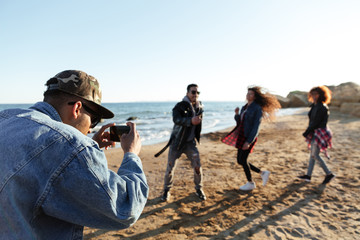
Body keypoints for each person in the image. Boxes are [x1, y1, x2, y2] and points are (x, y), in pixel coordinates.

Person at [0, 70, 149, 239]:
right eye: (94, 119)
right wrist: (131, 154)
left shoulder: (6, 118)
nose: (91, 127)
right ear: (77, 108)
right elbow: (125, 208)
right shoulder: (70, 146)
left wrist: (88, 149)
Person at [222, 86, 280, 191]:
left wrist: (249, 141)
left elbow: (255, 127)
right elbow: (240, 122)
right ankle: (262, 173)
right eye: (247, 93)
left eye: (251, 94)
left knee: (242, 160)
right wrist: (236, 114)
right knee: (240, 160)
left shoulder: (257, 108)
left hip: (248, 137)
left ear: (255, 96)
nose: (248, 95)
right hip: (241, 135)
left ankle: (251, 182)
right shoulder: (244, 107)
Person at [157, 84, 206, 201]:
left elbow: (198, 122)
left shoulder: (200, 107)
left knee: (197, 166)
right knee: (170, 168)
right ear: (187, 93)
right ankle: (166, 191)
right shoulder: (180, 106)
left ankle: (199, 189)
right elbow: (176, 119)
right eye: (193, 92)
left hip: (190, 143)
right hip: (177, 142)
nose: (196, 95)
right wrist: (190, 121)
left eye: (198, 93)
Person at [297, 86, 335, 184]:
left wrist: (306, 132)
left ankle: (329, 174)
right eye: (312, 94)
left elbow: (316, 122)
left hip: (320, 133)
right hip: (315, 131)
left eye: (316, 94)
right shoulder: (314, 105)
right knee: (312, 155)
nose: (314, 96)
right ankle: (308, 176)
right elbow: (312, 121)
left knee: (315, 155)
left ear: (321, 95)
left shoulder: (322, 107)